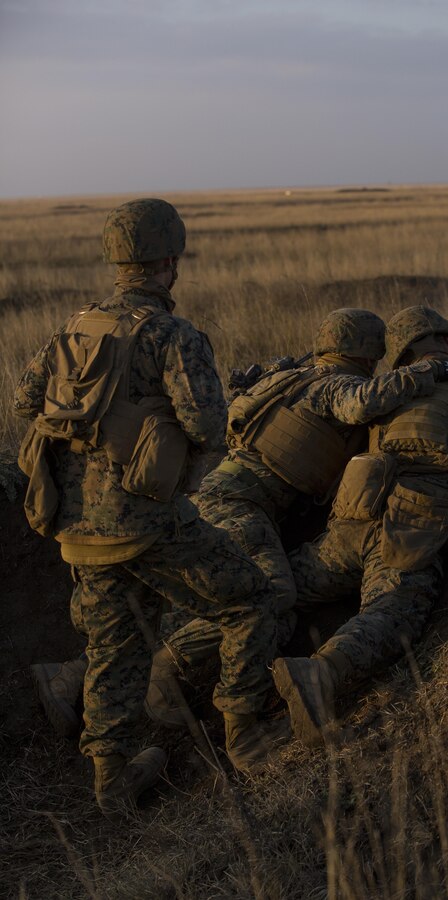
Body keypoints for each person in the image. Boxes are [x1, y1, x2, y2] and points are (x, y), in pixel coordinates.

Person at [14, 198, 282, 818]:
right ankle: (244, 735)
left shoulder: (73, 327)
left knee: (114, 644)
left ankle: (113, 783)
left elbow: (28, 401)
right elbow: (207, 423)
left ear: (117, 259)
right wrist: (148, 434)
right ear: (169, 260)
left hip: (76, 528)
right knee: (250, 599)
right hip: (146, 523)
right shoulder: (172, 334)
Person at [140, 306, 448, 727]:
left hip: (225, 496)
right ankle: (218, 709)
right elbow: (362, 404)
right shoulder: (333, 385)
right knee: (269, 599)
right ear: (363, 356)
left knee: (265, 594)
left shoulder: (288, 378)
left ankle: (92, 676)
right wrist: (433, 372)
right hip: (242, 504)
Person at [271, 306, 448, 747]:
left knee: (282, 588)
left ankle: (182, 657)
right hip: (412, 525)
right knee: (394, 615)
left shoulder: (383, 389)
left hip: (354, 517)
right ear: (444, 343)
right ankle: (319, 673)